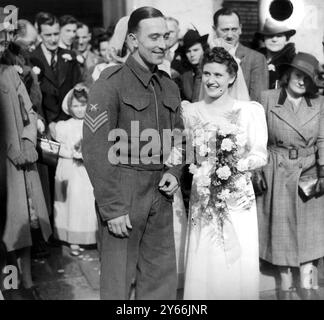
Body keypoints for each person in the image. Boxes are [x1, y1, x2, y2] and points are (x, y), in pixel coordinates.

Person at [82, 6, 185, 300]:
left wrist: (175, 173)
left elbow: (179, 137)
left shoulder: (169, 86)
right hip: (123, 193)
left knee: (160, 281)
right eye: (153, 37)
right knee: (118, 283)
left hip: (160, 195)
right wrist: (112, 207)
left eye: (165, 36)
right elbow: (95, 149)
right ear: (131, 41)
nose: (162, 44)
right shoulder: (110, 84)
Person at [181, 47, 268, 299]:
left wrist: (236, 167)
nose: (211, 80)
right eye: (207, 73)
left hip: (237, 193)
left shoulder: (249, 111)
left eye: (218, 75)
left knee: (235, 256)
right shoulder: (191, 111)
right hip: (203, 190)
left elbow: (260, 153)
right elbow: (187, 152)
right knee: (206, 252)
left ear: (231, 77)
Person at [257, 52, 324, 300]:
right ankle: (285, 289)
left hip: (309, 173)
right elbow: (257, 138)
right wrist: (257, 169)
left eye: (307, 78)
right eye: (298, 75)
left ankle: (309, 288)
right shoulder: (267, 98)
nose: (302, 81)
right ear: (287, 74)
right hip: (277, 171)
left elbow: (322, 139)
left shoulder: (319, 103)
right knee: (281, 234)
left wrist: (323, 170)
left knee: (311, 235)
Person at [0, 58, 52, 300]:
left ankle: (26, 283)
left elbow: (28, 111)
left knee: (20, 225)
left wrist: (29, 141)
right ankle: (9, 287)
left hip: (17, 164)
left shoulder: (10, 73)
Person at [50, 84, 97, 256]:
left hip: (88, 170)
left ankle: (90, 235)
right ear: (69, 107)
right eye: (75, 106)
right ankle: (73, 238)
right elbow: (58, 148)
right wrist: (73, 153)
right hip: (70, 168)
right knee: (73, 201)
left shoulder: (93, 124)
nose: (79, 110)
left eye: (83, 105)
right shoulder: (64, 126)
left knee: (87, 201)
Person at [30, 12, 81, 125]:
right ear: (39, 35)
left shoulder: (70, 56)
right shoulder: (31, 59)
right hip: (45, 125)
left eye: (56, 34)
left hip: (69, 124)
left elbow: (78, 89)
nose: (53, 39)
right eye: (48, 35)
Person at [212, 8, 269, 102]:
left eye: (234, 29)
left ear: (240, 29)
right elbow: (198, 98)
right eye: (225, 30)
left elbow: (258, 102)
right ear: (214, 29)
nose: (230, 35)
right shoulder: (206, 57)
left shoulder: (256, 59)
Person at [257, 19, 296, 89]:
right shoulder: (254, 59)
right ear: (263, 38)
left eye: (279, 36)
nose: (274, 39)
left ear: (286, 39)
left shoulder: (293, 62)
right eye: (270, 35)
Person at [176, 29, 209, 103]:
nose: (192, 55)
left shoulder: (211, 71)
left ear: (203, 50)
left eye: (195, 50)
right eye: (188, 51)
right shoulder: (185, 74)